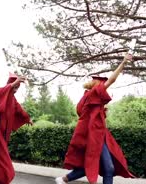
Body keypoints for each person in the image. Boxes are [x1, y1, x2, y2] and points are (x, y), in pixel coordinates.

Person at [55, 54, 134, 184]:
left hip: (97, 135)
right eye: (102, 82)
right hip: (94, 135)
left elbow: (82, 114)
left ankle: (64, 179)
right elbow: (112, 80)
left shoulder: (87, 97)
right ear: (97, 84)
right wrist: (123, 63)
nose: (105, 85)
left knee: (98, 166)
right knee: (106, 168)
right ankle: (64, 179)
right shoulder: (93, 93)